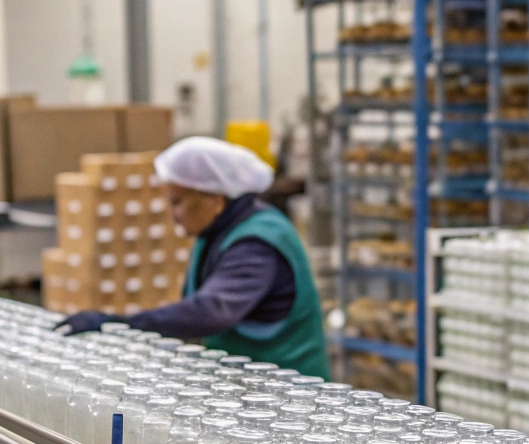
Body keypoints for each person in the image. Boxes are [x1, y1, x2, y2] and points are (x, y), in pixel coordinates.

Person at [57, 136, 330, 379]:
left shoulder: (257, 243)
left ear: (214, 199)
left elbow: (210, 311)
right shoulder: (216, 231)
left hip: (290, 396)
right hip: (249, 388)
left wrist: (120, 323)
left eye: (177, 202)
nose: (172, 213)